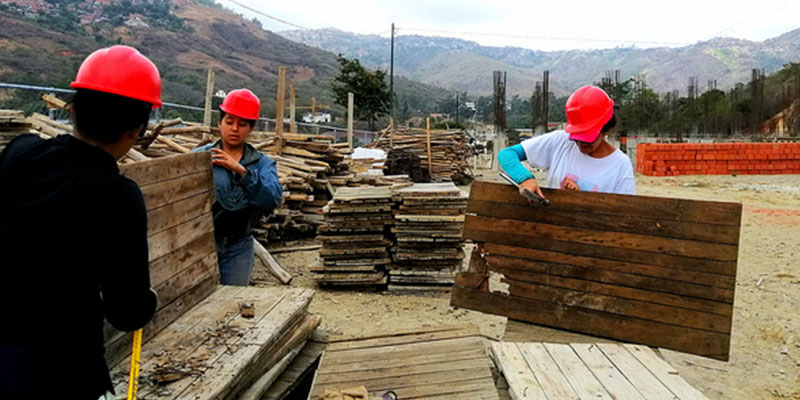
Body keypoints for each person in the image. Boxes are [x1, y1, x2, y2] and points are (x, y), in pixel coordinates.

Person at [0, 45, 160, 399]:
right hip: (62, 370)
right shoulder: (119, 196)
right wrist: (148, 301)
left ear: (72, 110)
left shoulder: (20, 152)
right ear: (135, 131)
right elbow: (127, 311)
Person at [193, 89, 282, 286]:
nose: (235, 129)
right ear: (219, 123)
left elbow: (271, 199)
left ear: (250, 129)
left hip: (239, 245)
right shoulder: (199, 158)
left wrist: (242, 172)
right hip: (200, 242)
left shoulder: (263, 164)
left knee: (232, 299)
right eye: (229, 122)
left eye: (242, 124)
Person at [498, 85, 635, 196]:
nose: (581, 144)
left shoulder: (620, 165)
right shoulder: (560, 141)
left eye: (587, 139)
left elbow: (622, 213)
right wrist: (525, 179)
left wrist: (580, 198)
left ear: (606, 130)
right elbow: (506, 155)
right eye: (576, 138)